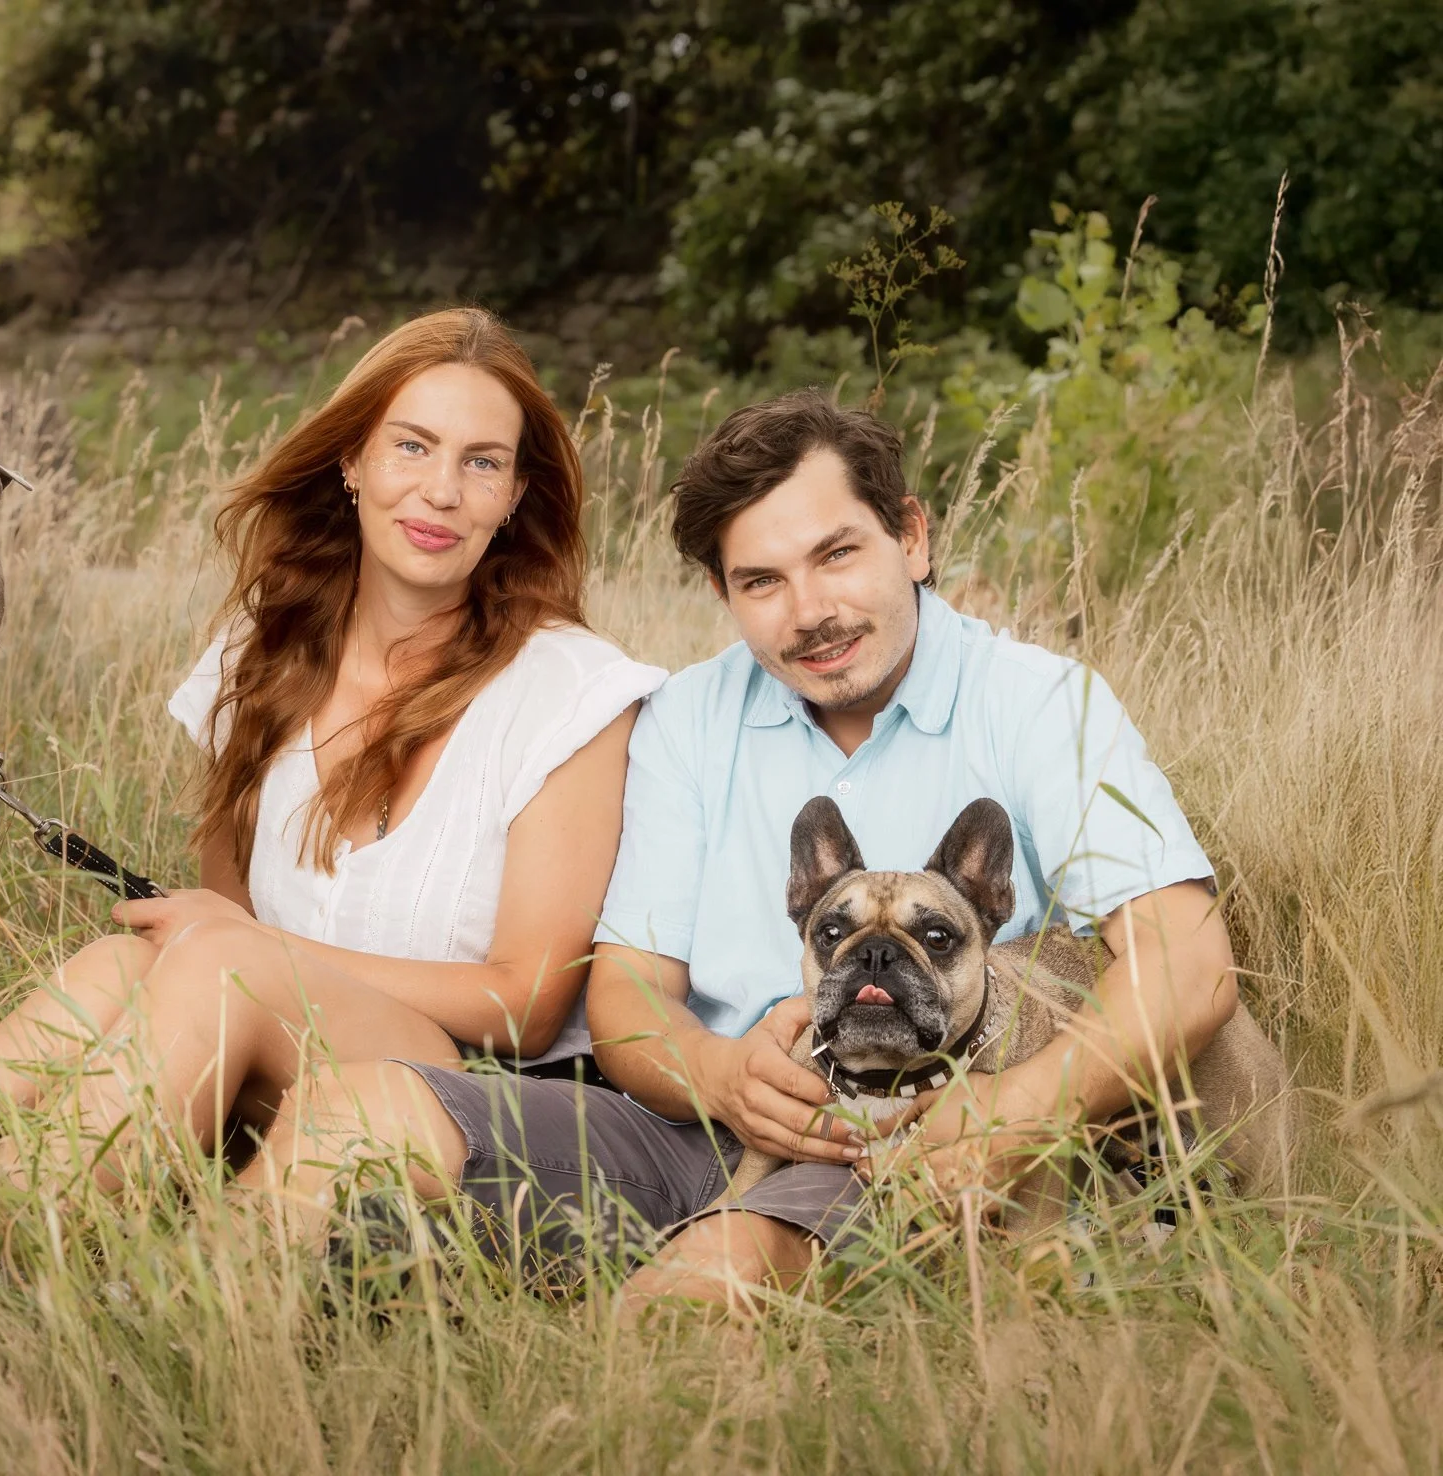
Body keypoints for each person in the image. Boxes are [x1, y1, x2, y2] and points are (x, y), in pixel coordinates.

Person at [252, 389, 1238, 1314]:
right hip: (690, 1119)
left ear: (911, 536)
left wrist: (1010, 1117)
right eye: (761, 581)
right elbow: (627, 999)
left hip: (897, 1138)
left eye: (836, 555)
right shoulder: (688, 716)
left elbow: (1188, 967)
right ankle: (209, 1345)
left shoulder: (1039, 704)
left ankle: (604, 1291)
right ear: (720, 590)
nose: (808, 612)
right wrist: (718, 1075)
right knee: (347, 1110)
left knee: (709, 1283)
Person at [0, 308, 665, 1227]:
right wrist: (235, 944)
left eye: (482, 462)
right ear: (352, 461)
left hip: (472, 1095)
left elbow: (527, 1005)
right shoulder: (264, 655)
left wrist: (257, 949)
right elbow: (227, 916)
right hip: (271, 1048)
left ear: (516, 494)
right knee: (121, 964)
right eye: (412, 446)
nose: (442, 490)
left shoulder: (571, 689)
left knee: (219, 958)